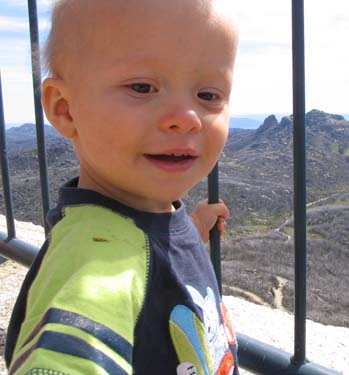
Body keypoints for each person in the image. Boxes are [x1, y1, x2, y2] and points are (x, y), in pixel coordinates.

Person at [5, 0, 239, 374]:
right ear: (65, 109)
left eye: (208, 95)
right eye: (143, 87)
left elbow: (149, 257)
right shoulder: (94, 259)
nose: (187, 118)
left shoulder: (131, 227)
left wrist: (191, 230)